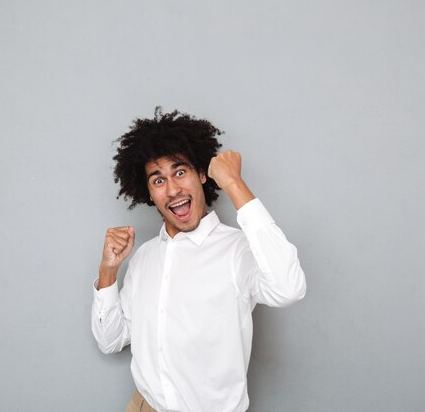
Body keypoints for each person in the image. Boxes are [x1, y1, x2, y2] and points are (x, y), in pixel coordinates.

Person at [92, 108, 306, 412]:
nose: (173, 189)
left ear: (202, 174)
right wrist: (108, 272)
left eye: (180, 172)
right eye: (158, 180)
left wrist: (234, 183)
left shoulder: (237, 250)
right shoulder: (144, 258)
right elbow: (110, 340)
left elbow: (289, 288)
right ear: (149, 194)